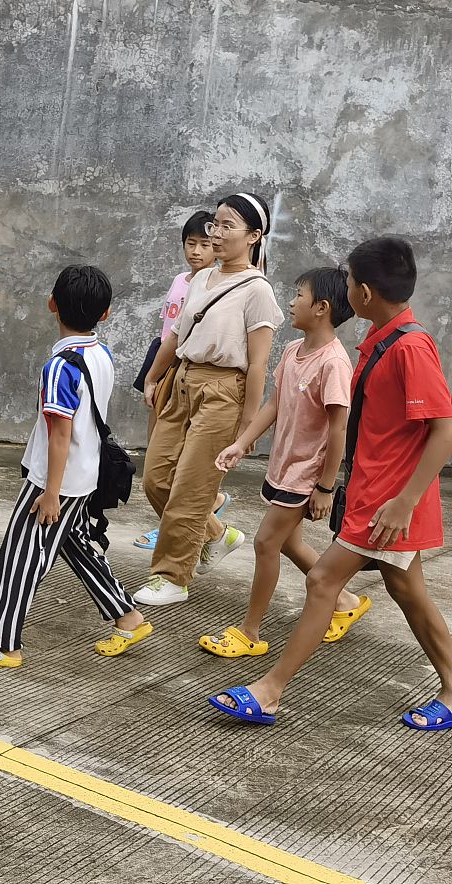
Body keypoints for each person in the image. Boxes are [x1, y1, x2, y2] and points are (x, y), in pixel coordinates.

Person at [209, 237, 452, 728]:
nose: (343, 290)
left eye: (347, 281)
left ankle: (271, 689)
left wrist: (404, 501)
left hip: (389, 502)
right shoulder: (382, 341)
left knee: (322, 580)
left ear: (363, 292)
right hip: (375, 496)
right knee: (407, 592)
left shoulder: (410, 347)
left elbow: (444, 428)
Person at [0, 266, 154, 667]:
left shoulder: (60, 367)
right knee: (74, 544)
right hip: (83, 474)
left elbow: (60, 436)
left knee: (20, 556)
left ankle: (4, 644)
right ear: (106, 314)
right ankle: (128, 617)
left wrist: (49, 494)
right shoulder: (100, 354)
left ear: (52, 305)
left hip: (56, 482)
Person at [202, 267, 366, 658]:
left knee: (266, 542)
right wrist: (242, 443)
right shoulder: (294, 351)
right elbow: (276, 403)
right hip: (281, 465)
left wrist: (325, 487)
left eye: (299, 294)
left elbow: (338, 430)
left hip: (305, 473)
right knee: (289, 544)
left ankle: (250, 631)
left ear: (322, 307)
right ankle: (345, 602)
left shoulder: (334, 364)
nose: (291, 302)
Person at [134, 193, 284, 606]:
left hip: (223, 392)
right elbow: (177, 337)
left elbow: (258, 365)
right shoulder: (200, 279)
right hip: (182, 381)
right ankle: (218, 534)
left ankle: (171, 577)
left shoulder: (258, 291)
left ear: (254, 236)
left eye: (227, 226)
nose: (216, 235)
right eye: (215, 224)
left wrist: (247, 427)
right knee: (156, 478)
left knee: (191, 489)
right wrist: (152, 376)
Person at [133, 210, 230, 551]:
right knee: (156, 451)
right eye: (191, 244)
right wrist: (153, 374)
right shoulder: (180, 281)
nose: (197, 251)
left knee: (175, 455)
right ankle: (186, 517)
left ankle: (196, 522)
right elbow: (168, 331)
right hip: (162, 359)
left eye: (205, 244)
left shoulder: (218, 285)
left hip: (186, 367)